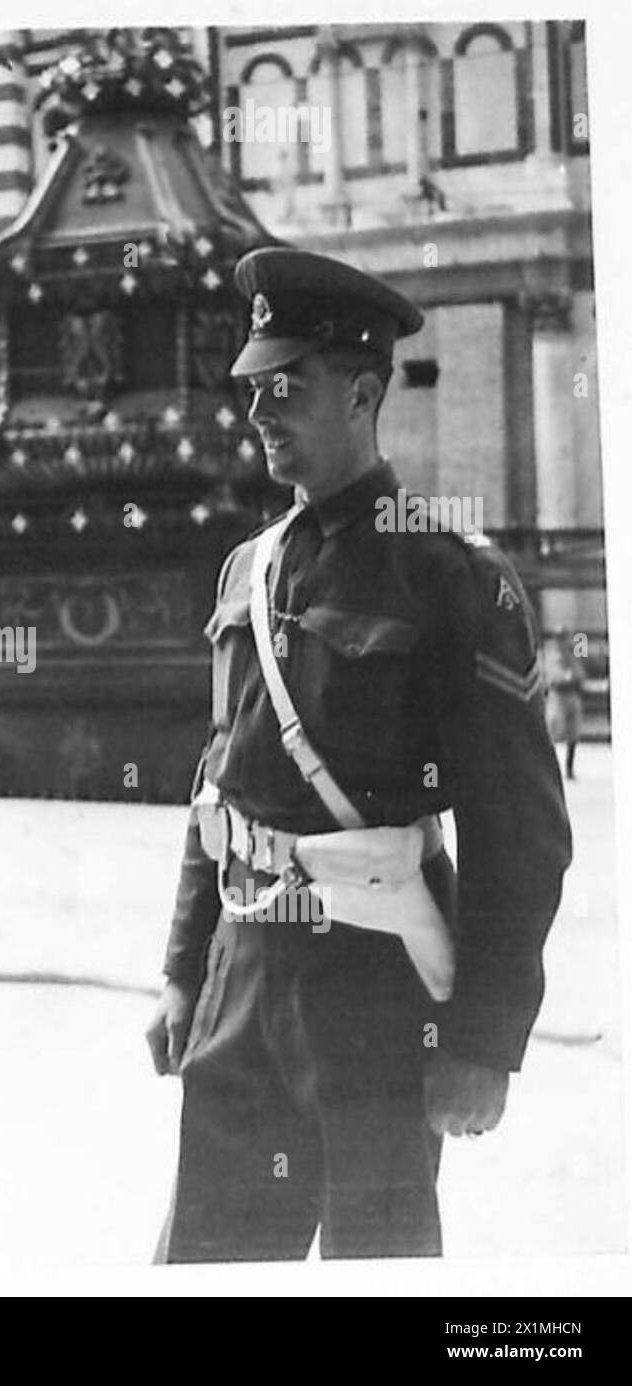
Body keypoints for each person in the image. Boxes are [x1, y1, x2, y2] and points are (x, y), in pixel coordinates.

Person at [145, 249, 572, 1262]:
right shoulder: (248, 570)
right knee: (206, 1263)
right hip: (242, 982)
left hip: (379, 998)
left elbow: (521, 834)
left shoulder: (448, 576)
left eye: (285, 388)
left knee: (377, 1268)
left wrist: (481, 1042)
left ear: (366, 393)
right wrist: (178, 970)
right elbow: (220, 786)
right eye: (253, 389)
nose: (258, 412)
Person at [543, 630, 584, 780]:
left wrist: (575, 677)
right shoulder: (549, 655)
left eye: (563, 637)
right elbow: (547, 676)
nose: (561, 641)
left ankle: (569, 769)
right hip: (557, 695)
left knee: (573, 732)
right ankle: (549, 770)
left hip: (572, 694)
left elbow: (581, 673)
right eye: (559, 637)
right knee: (552, 732)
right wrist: (562, 678)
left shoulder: (575, 653)